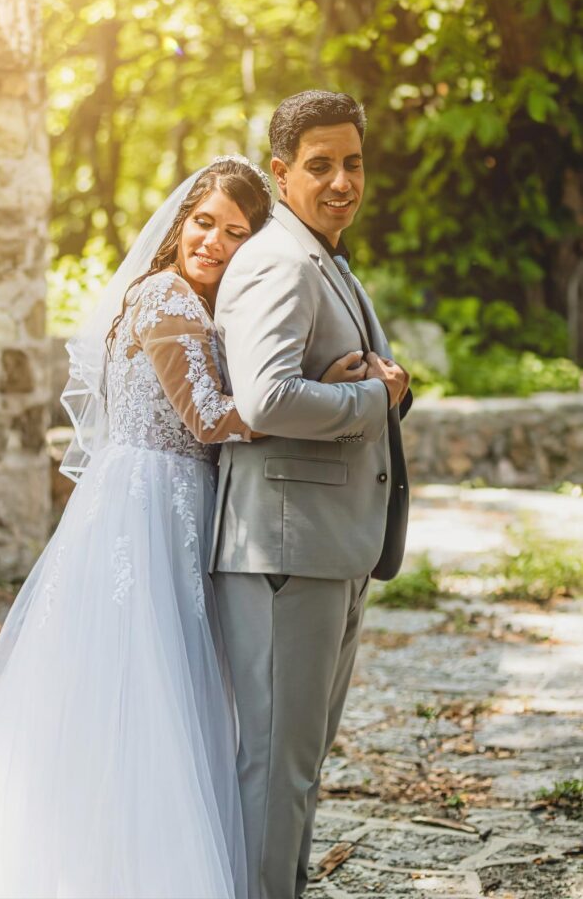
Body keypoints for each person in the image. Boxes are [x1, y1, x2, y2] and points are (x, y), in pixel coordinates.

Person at [0, 157, 273, 899]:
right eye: (205, 223)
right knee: (142, 675)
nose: (215, 243)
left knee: (163, 678)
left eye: (237, 233)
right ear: (180, 221)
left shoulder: (202, 303)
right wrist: (322, 401)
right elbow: (207, 417)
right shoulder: (166, 295)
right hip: (148, 504)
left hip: (171, 500)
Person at [210, 91, 413, 899]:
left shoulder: (323, 257)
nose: (341, 182)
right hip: (283, 550)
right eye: (319, 165)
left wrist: (380, 387)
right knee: (277, 765)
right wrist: (373, 402)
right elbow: (265, 401)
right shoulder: (278, 261)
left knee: (297, 762)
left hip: (328, 543)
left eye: (352, 163)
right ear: (280, 173)